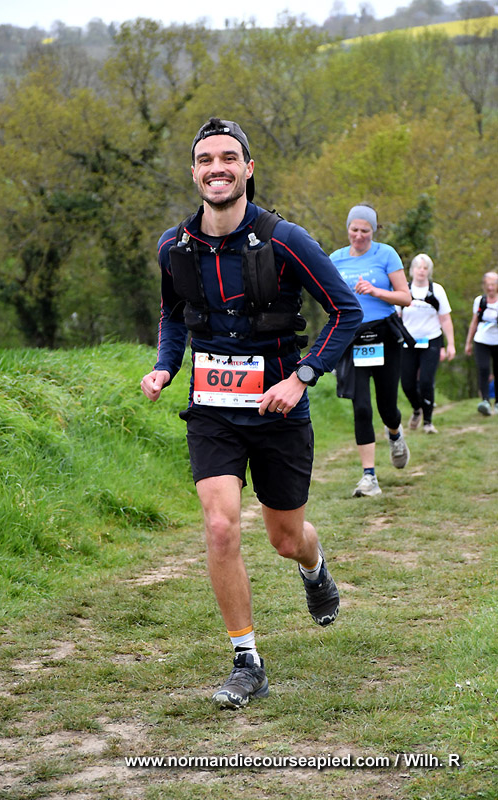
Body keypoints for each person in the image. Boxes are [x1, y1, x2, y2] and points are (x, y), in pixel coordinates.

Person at [140, 117, 363, 709]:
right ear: (194, 172)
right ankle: (247, 660)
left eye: (228, 158)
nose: (217, 168)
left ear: (247, 169)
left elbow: (345, 312)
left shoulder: (286, 240)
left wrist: (303, 376)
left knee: (286, 538)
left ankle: (314, 567)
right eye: (206, 159)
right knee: (220, 526)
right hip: (212, 408)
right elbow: (172, 315)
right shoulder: (173, 246)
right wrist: (165, 367)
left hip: (278, 407)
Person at [330, 204, 412, 498]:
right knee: (361, 407)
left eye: (365, 230)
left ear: (373, 231)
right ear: (347, 229)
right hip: (353, 338)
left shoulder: (386, 254)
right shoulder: (335, 259)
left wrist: (375, 291)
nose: (359, 235)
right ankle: (369, 477)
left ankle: (395, 434)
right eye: (354, 229)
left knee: (387, 406)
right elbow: (328, 297)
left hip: (384, 336)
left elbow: (405, 298)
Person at [399, 254, 456, 434]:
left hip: (431, 340)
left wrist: (450, 344)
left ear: (429, 271)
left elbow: (445, 319)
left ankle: (428, 422)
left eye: (425, 268)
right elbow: (396, 317)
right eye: (418, 267)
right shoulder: (404, 289)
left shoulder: (436, 290)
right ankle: (417, 409)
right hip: (408, 342)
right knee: (407, 384)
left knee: (426, 381)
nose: (421, 271)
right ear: (412, 270)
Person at [464, 271, 498, 416]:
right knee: (483, 369)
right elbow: (474, 321)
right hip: (482, 340)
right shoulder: (480, 301)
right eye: (488, 284)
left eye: (493, 284)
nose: (490, 288)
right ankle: (485, 401)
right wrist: (468, 342)